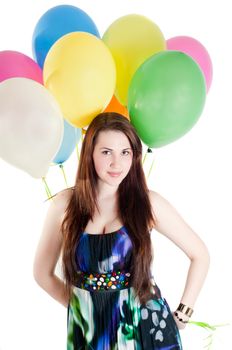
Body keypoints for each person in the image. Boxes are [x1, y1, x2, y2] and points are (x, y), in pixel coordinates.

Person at [33, 112, 210, 349]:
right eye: (106, 152)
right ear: (90, 154)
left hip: (148, 328)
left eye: (125, 152)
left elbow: (200, 254)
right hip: (91, 335)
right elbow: (42, 274)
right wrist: (84, 308)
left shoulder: (148, 203)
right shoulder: (64, 205)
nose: (117, 163)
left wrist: (182, 314)